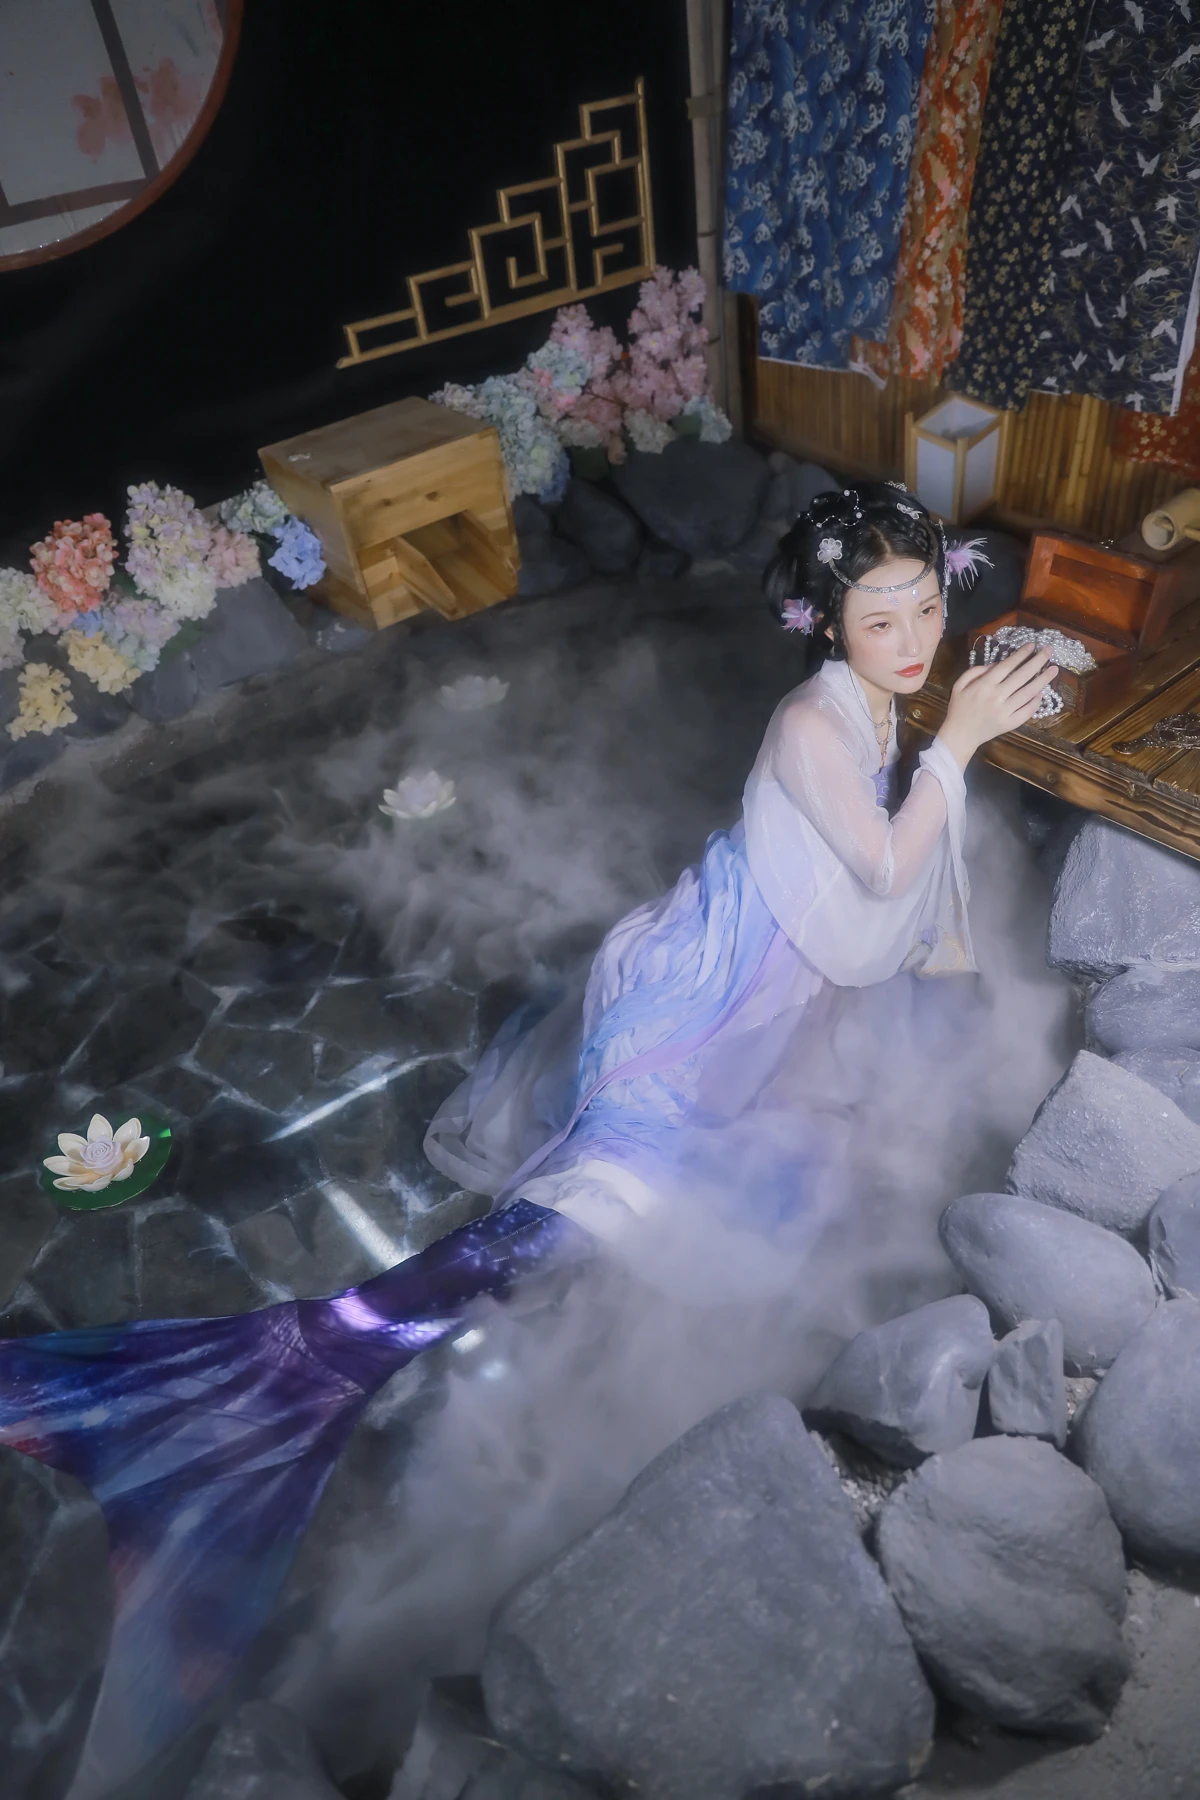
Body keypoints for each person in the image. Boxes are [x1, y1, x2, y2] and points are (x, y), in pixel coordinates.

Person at [0, 482, 1055, 1800]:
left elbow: (874, 897)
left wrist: (945, 769)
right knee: (599, 1205)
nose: (911, 639)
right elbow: (887, 876)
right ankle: (306, 1364)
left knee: (665, 1212)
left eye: (926, 608)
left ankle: (335, 1361)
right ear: (827, 622)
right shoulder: (809, 723)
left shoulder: (869, 704)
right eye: (880, 617)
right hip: (696, 1019)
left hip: (759, 1013)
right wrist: (963, 740)